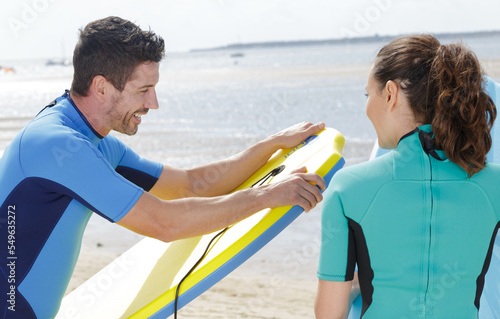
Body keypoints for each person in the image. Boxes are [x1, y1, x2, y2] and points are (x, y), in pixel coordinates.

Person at [0, 16, 326, 318]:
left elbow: (190, 185)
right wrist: (265, 197)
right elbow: (164, 223)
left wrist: (269, 146)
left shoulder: (89, 141)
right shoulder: (59, 146)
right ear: (101, 87)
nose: (153, 103)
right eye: (143, 90)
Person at [315, 34, 499, 318]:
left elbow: (329, 314)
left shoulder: (347, 187)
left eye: (368, 94)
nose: (366, 107)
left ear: (390, 94)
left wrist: (354, 284)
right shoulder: (493, 184)